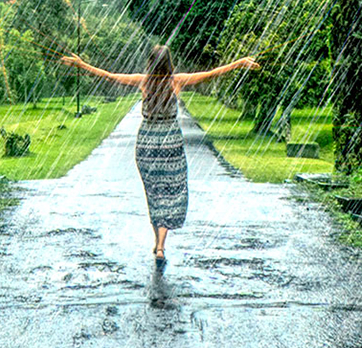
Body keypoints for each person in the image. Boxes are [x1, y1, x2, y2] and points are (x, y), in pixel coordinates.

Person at [61, 45, 260, 265]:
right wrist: (239, 63)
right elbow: (212, 73)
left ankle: (158, 243)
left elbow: (109, 76)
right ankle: (161, 246)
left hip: (147, 141)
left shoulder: (143, 81)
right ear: (169, 63)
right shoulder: (177, 81)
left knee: (153, 192)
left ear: (150, 62)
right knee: (169, 191)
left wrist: (81, 65)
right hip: (170, 141)